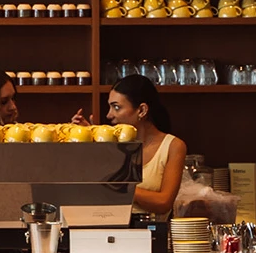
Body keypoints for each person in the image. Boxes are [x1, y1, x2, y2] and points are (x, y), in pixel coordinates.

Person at [72, 74, 187, 217]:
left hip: (151, 234)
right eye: (110, 107)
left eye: (116, 107)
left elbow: (163, 203)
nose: (109, 115)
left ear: (142, 110)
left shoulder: (173, 146)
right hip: (108, 233)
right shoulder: (112, 145)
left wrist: (120, 187)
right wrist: (90, 139)